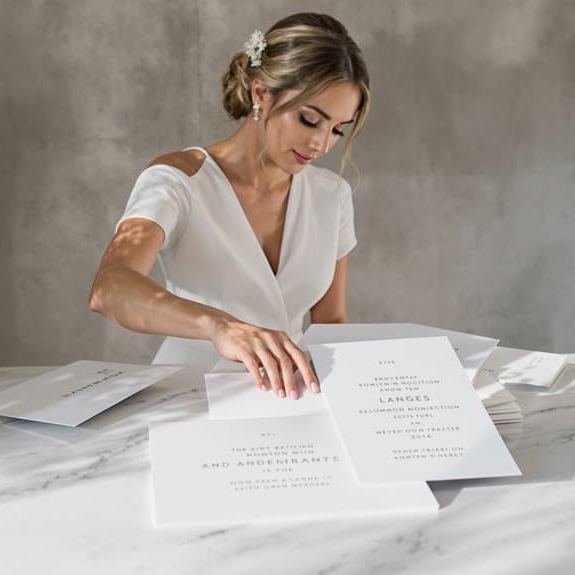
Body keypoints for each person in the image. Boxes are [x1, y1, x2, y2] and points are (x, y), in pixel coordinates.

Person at [88, 12, 371, 400]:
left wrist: (349, 399)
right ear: (260, 93)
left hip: (291, 400)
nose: (322, 144)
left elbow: (331, 321)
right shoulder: (179, 180)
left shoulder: (332, 196)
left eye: (338, 129)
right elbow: (109, 288)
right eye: (309, 120)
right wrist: (219, 326)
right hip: (188, 398)